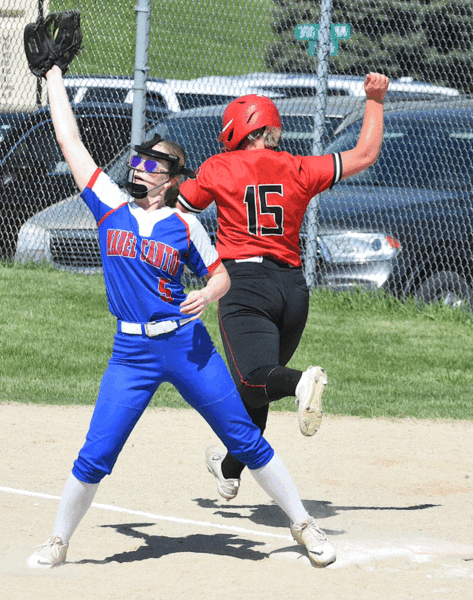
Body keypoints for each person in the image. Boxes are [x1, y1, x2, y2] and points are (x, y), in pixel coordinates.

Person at [26, 64, 337, 569]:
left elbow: (220, 276)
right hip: (132, 353)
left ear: (171, 180)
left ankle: (303, 524)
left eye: (150, 164)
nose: (138, 168)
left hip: (187, 347)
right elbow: (70, 141)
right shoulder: (109, 206)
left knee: (243, 436)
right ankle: (59, 540)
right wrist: (55, 76)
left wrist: (209, 295)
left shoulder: (184, 225)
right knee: (96, 453)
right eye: (137, 161)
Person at [177, 73, 390, 501]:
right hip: (294, 290)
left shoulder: (219, 166)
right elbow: (365, 154)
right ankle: (229, 467)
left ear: (240, 131)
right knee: (255, 390)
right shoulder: (300, 167)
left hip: (245, 285)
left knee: (258, 380)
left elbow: (179, 209)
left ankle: (301, 384)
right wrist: (375, 99)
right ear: (272, 131)